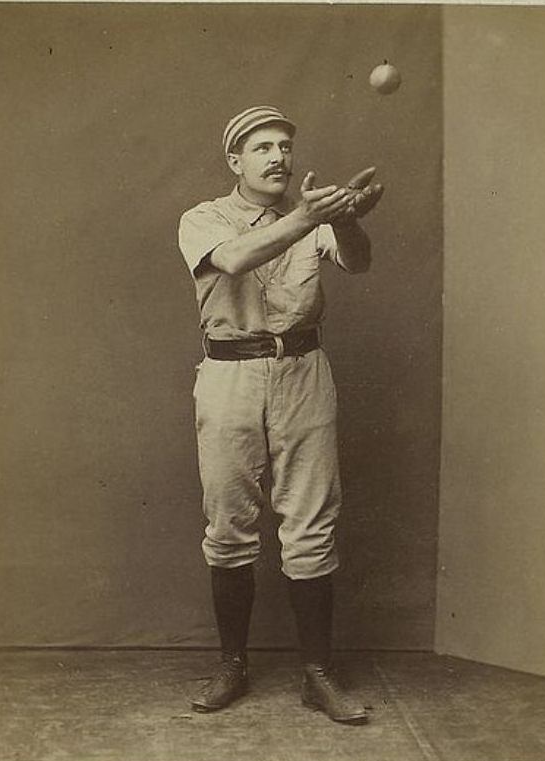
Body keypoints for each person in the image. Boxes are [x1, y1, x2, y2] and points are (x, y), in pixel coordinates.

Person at [177, 106, 384, 725]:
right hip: (229, 374)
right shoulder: (203, 218)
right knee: (229, 521)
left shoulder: (312, 212)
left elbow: (359, 260)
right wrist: (310, 215)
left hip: (303, 371)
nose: (278, 158)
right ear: (235, 161)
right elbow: (236, 260)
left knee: (312, 521)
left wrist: (345, 221)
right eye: (262, 147)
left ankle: (317, 675)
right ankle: (232, 665)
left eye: (285, 146)